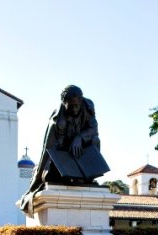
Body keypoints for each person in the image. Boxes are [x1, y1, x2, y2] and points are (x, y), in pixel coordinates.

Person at [20, 85, 103, 217]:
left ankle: (87, 176)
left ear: (81, 100)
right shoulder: (57, 122)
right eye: (71, 106)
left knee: (95, 140)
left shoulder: (88, 108)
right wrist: (34, 186)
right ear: (64, 104)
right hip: (63, 156)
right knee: (49, 175)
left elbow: (94, 130)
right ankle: (73, 176)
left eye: (77, 105)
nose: (75, 110)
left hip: (80, 151)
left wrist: (79, 137)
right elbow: (47, 152)